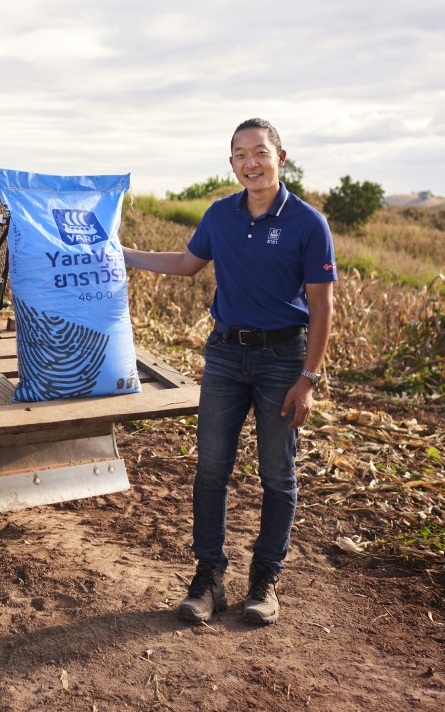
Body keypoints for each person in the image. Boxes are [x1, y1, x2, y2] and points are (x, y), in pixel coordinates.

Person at [123, 119, 336, 626]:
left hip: (283, 359)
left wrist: (307, 379)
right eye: (239, 154)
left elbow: (323, 309)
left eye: (259, 152)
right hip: (224, 355)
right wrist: (121, 254)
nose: (250, 163)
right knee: (211, 469)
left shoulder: (308, 223)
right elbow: (185, 262)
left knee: (276, 474)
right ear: (232, 164)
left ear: (281, 157)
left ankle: (265, 579)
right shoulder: (220, 215)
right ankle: (210, 579)